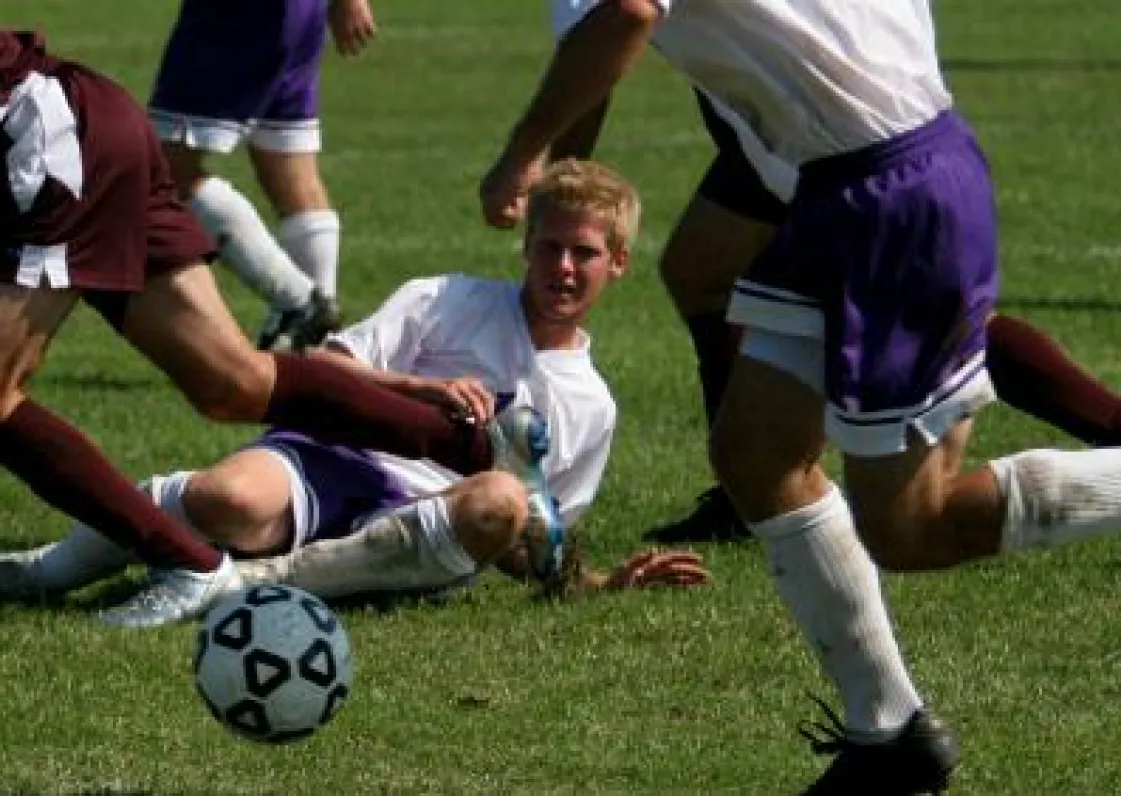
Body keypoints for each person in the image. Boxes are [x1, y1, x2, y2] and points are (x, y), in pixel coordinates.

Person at [478, 2, 1121, 793]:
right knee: (756, 453)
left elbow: (625, 14)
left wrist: (523, 154)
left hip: (891, 188)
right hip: (837, 184)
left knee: (915, 526)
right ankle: (886, 733)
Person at [0, 8, 559, 632]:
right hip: (93, 118)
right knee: (232, 382)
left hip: (48, 142)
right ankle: (480, 447)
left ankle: (187, 565)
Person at [0, 158, 708, 607]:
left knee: (500, 499)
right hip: (338, 457)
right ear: (525, 247)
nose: (563, 268)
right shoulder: (449, 297)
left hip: (429, 522)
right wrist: (417, 392)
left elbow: (538, 535)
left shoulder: (591, 405)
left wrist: (602, 582)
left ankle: (246, 585)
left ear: (619, 263)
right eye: (549, 248)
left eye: (585, 253)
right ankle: (39, 572)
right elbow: (325, 371)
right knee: (226, 502)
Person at [549, 36, 1121, 548]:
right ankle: (753, 485)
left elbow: (611, 26)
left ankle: (760, 488)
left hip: (823, 122)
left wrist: (546, 174)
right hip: (817, 107)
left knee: (910, 505)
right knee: (705, 269)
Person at [149, 0, 377, 351]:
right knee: (288, 168)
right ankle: (314, 345)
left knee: (162, 172)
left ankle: (300, 305)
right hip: (295, 13)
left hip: (243, 17)